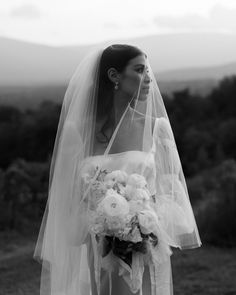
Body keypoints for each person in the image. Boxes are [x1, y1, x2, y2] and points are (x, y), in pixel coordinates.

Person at [34, 44, 201, 295]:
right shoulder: (78, 131)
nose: (148, 79)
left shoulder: (157, 128)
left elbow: (171, 194)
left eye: (148, 70)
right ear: (114, 76)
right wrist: (105, 220)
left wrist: (140, 217)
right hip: (97, 248)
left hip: (146, 247)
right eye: (139, 70)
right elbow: (66, 200)